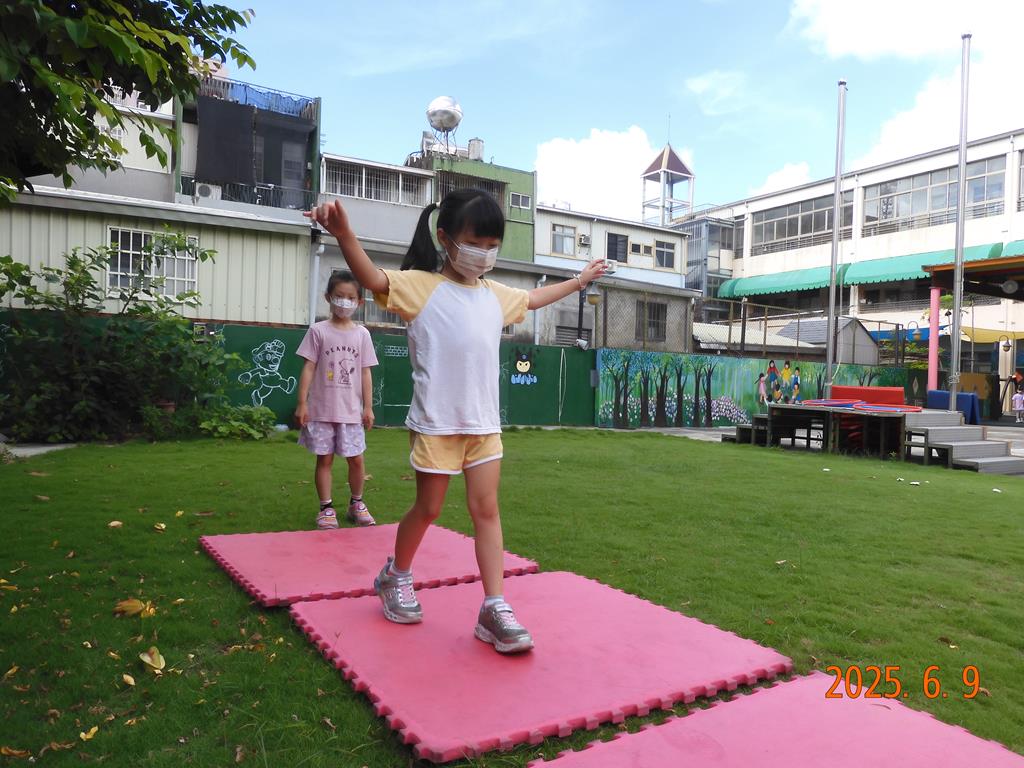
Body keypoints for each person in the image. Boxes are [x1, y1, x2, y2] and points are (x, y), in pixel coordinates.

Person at [306, 190, 607, 653]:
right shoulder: (420, 287)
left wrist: (579, 281)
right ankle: (395, 576)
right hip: (437, 425)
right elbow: (372, 277)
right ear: (445, 239)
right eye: (475, 243)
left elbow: (533, 298)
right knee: (428, 509)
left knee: (487, 511)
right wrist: (345, 234)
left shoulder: (494, 295)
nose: (484, 254)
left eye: (492, 245)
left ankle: (494, 606)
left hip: (483, 427)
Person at [294, 270, 378, 529]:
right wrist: (302, 403)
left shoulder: (362, 334)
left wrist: (368, 407)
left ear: (359, 302)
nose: (344, 302)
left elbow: (365, 372)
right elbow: (308, 367)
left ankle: (356, 503)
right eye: (339, 296)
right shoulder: (318, 331)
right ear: (328, 297)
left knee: (357, 459)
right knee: (325, 459)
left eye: (350, 297)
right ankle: (326, 508)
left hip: (351, 412)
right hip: (322, 411)